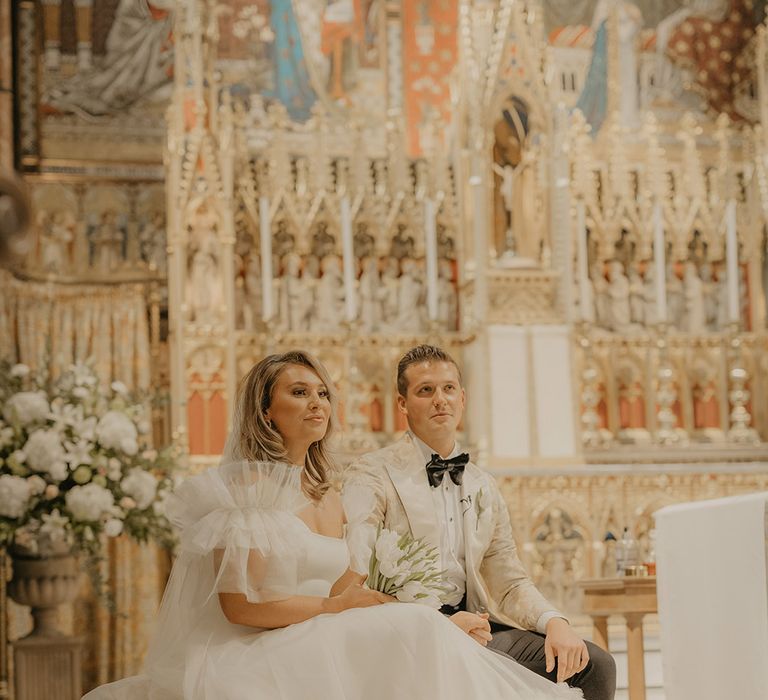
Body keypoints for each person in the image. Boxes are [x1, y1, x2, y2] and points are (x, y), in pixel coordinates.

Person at [84, 350, 583, 699]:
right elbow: (239, 607)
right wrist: (333, 608)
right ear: (265, 410)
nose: (317, 403)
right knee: (413, 633)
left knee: (417, 629)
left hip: (328, 631)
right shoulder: (244, 493)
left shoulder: (332, 490)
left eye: (323, 392)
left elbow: (354, 585)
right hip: (259, 648)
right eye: (299, 393)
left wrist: (431, 618)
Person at [344, 344, 616, 699]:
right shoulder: (371, 474)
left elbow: (509, 580)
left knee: (594, 665)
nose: (440, 399)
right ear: (402, 404)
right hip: (406, 631)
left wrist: (555, 621)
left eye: (448, 388)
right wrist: (438, 625)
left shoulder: (481, 483)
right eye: (425, 390)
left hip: (477, 627)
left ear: (462, 398)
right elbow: (357, 579)